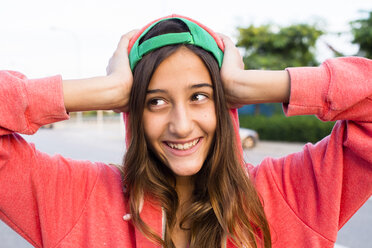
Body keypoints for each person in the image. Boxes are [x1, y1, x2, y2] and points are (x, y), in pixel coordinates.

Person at [0, 14, 371, 248]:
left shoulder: (291, 194)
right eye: (155, 102)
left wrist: (259, 85)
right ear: (133, 110)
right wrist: (103, 90)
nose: (180, 125)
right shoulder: (78, 201)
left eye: (199, 97)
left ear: (224, 103)